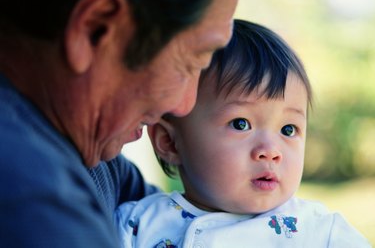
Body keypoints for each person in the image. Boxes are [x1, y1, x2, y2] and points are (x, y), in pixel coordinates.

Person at [0, 0, 238, 247]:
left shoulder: (100, 165)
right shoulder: (33, 201)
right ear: (96, 29)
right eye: (192, 63)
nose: (184, 105)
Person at [115, 19, 371, 247]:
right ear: (169, 142)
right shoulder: (136, 225)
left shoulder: (322, 232)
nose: (270, 151)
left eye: (288, 129)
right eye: (241, 124)